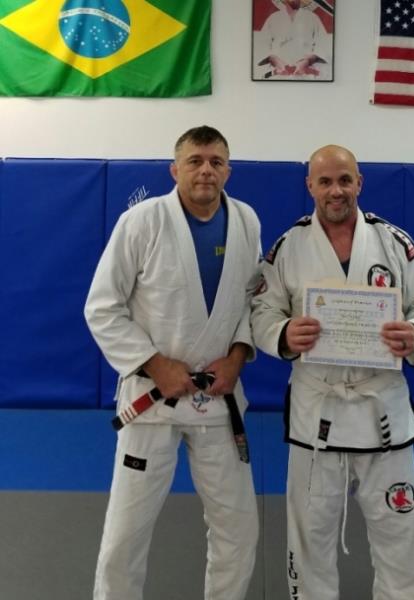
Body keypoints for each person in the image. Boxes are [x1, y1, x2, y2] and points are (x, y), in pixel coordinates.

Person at [251, 144, 414, 600]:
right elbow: (261, 310)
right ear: (310, 187)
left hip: (382, 408)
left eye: (344, 180)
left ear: (359, 182)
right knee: (310, 538)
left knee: (401, 535)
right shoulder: (289, 247)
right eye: (325, 181)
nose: (336, 190)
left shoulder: (393, 242)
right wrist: (283, 333)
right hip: (317, 410)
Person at [84, 126, 261, 600]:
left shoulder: (246, 221)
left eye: (216, 162)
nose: (206, 170)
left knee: (239, 527)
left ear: (228, 170)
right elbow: (102, 307)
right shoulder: (141, 221)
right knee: (126, 532)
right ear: (174, 169)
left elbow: (253, 303)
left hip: (218, 398)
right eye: (195, 161)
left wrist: (237, 357)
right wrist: (154, 364)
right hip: (153, 400)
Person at [253, 0, 333, 80]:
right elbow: (262, 46)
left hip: (306, 74)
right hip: (278, 74)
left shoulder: (312, 18)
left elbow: (323, 45)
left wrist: (308, 61)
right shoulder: (273, 18)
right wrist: (275, 61)